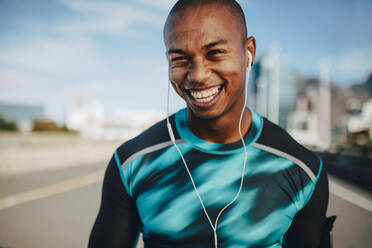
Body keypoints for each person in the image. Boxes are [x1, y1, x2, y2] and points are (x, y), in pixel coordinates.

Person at [88, 0, 329, 247]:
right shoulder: (131, 163)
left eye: (214, 53)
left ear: (249, 53)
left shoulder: (303, 170)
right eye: (180, 59)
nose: (198, 75)